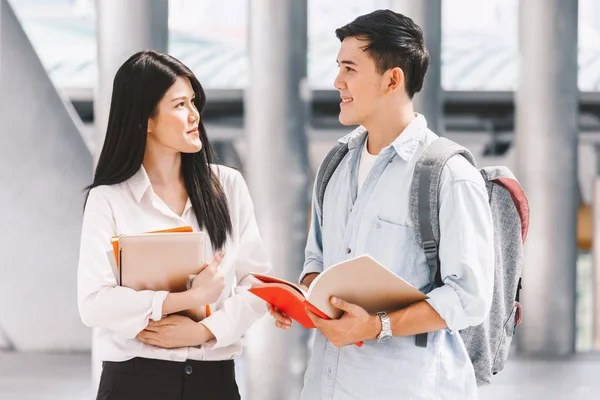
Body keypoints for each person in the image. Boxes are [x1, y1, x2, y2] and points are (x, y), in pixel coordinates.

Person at [269, 10, 494, 400]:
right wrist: (302, 300)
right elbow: (316, 263)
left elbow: (469, 298)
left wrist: (376, 326)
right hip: (326, 387)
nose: (338, 81)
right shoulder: (335, 165)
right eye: (338, 67)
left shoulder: (448, 174)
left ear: (393, 78)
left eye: (350, 68)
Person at [78, 50, 271, 400]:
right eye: (180, 105)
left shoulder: (228, 186)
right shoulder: (108, 199)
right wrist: (185, 299)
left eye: (193, 101)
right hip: (133, 381)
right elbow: (93, 303)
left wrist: (205, 332)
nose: (195, 115)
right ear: (145, 119)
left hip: (215, 382)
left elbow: (256, 284)